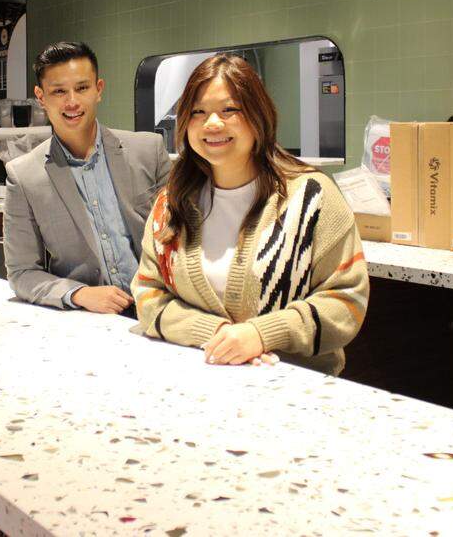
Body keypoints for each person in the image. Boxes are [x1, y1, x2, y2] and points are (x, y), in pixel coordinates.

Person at [131, 54, 368, 374]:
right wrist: (213, 334)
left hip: (294, 387)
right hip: (197, 378)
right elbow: (148, 295)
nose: (212, 123)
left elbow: (346, 302)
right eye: (198, 112)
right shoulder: (170, 204)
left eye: (229, 110)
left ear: (259, 116)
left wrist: (261, 334)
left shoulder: (312, 198)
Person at [4, 41, 172, 315]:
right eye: (59, 91)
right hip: (91, 319)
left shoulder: (149, 151)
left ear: (99, 90)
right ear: (41, 97)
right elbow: (22, 272)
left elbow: (184, 240)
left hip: (163, 311)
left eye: (82, 88)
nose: (72, 102)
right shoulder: (23, 175)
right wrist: (78, 294)